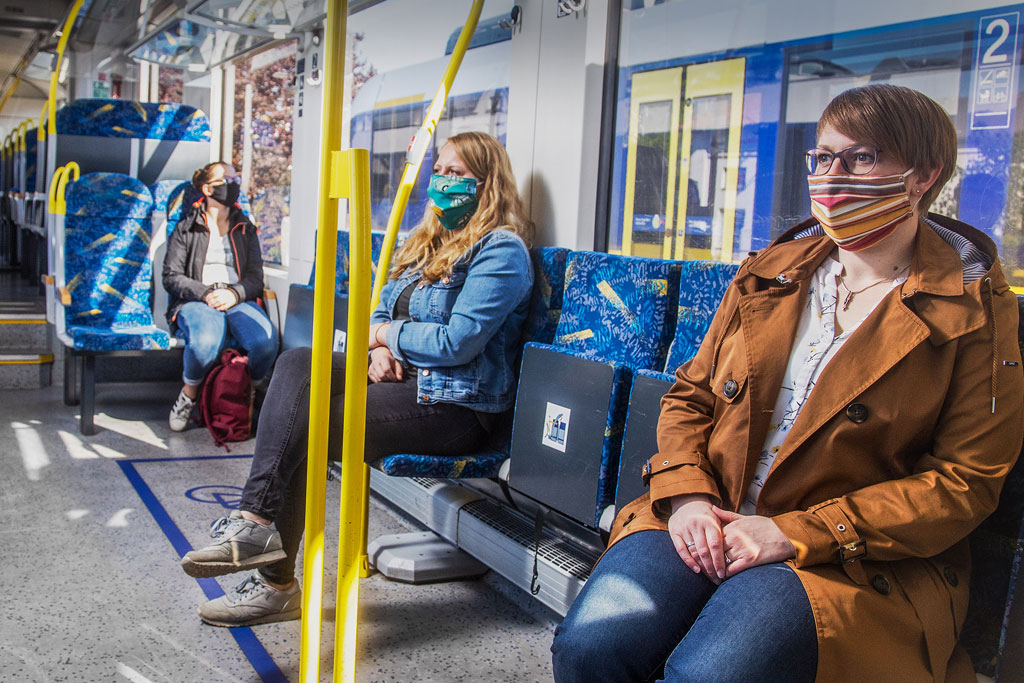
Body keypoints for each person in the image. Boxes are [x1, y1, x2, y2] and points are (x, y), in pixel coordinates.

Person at [551, 84, 1024, 683]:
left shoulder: (977, 311)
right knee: (590, 649)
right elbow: (691, 396)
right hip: (711, 507)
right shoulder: (767, 274)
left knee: (709, 675)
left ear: (923, 175)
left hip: (847, 555)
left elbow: (964, 483)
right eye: (823, 157)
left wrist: (791, 532)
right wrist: (690, 495)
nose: (833, 176)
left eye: (861, 157)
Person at [177, 132, 535, 627]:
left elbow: (459, 342)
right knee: (298, 363)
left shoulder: (501, 252)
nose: (443, 181)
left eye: (458, 174)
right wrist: (380, 346)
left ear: (487, 183)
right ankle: (255, 522)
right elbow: (378, 314)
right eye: (440, 170)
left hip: (457, 407)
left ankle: (273, 583)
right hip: (404, 382)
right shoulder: (426, 243)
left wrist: (389, 336)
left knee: (311, 423)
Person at [162, 162, 279, 432]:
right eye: (224, 179)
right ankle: (189, 393)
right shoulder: (186, 228)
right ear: (207, 188)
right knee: (204, 344)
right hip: (197, 298)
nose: (232, 183)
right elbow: (171, 276)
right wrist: (205, 294)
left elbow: (254, 277)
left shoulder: (245, 228)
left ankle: (246, 388)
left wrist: (234, 293)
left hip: (235, 296)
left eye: (234, 178)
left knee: (265, 342)